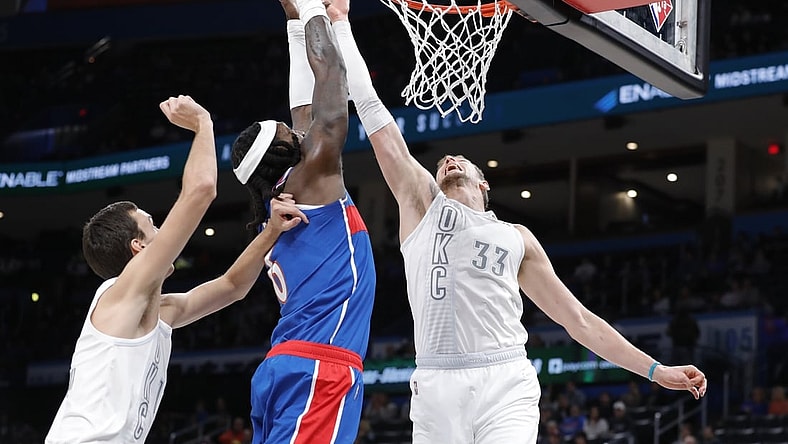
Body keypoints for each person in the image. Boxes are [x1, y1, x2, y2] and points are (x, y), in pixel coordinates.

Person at [325, 1, 708, 442]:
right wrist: (340, 24)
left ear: (484, 183)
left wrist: (655, 370)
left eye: (459, 159)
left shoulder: (517, 238)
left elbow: (579, 321)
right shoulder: (421, 206)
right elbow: (374, 114)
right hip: (434, 385)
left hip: (503, 380)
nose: (448, 160)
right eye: (441, 162)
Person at [45, 96, 308, 444]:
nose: (162, 232)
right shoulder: (118, 295)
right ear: (138, 249)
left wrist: (272, 231)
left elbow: (232, 287)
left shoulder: (160, 310)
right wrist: (203, 124)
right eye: (152, 225)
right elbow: (200, 191)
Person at [230, 0, 376, 442]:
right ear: (282, 156)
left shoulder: (285, 197)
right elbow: (330, 99)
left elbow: (305, 114)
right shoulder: (310, 181)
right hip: (319, 365)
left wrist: (296, 25)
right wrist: (314, 8)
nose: (298, 131)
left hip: (291, 364)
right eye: (288, 135)